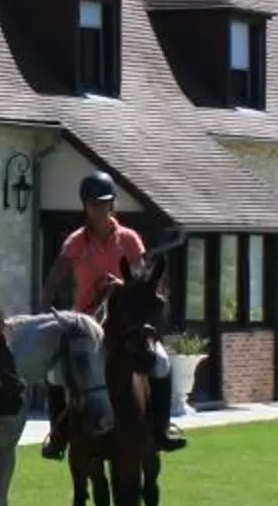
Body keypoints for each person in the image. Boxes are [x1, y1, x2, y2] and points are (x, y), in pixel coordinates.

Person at [38, 170, 186, 456]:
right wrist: (46, 309)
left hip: (125, 322)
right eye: (94, 203)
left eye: (105, 202)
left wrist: (130, 287)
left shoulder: (129, 239)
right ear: (85, 206)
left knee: (161, 364)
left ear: (113, 205)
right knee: (56, 373)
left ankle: (162, 429)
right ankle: (58, 436)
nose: (100, 209)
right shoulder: (76, 242)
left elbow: (143, 276)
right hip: (87, 322)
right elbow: (55, 278)